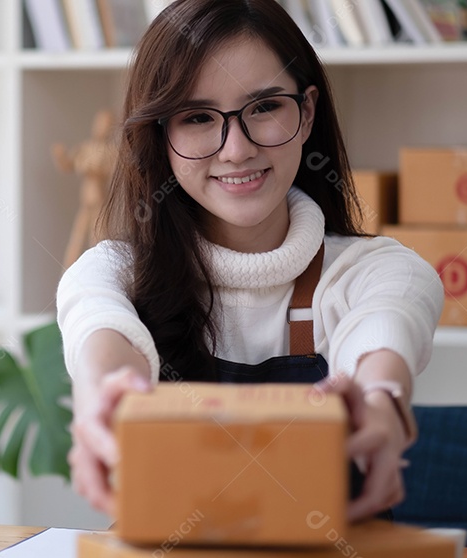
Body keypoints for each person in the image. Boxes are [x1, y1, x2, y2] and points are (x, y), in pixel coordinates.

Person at [56, 0, 444, 522]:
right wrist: (103, 400)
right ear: (161, 137)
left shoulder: (377, 271)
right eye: (197, 117)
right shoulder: (114, 273)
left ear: (306, 114)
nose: (236, 150)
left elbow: (384, 333)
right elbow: (101, 338)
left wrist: (380, 401)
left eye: (263, 107)